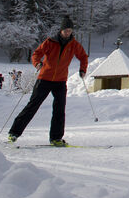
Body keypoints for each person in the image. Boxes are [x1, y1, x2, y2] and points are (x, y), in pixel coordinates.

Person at [7, 15, 88, 146]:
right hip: (44, 79)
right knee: (33, 106)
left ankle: (56, 138)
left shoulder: (74, 45)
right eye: (66, 30)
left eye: (70, 30)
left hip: (60, 81)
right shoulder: (50, 42)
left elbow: (83, 57)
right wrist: (37, 63)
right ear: (61, 30)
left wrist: (83, 69)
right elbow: (36, 54)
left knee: (59, 110)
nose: (68, 33)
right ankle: (14, 133)